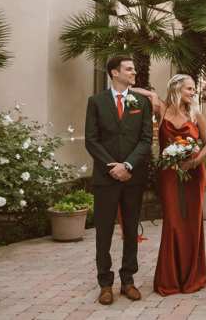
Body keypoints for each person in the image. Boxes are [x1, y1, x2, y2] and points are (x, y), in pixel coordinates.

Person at [84, 55, 152, 305]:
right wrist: (112, 166)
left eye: (133, 69)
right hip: (106, 177)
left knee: (132, 229)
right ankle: (105, 283)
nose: (134, 72)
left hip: (133, 177)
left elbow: (146, 139)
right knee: (103, 232)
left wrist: (128, 165)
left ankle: (128, 280)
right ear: (114, 72)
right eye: (129, 69)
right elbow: (91, 139)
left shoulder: (141, 102)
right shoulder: (96, 102)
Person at [133, 75, 206, 296]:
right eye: (189, 88)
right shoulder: (162, 109)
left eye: (194, 88)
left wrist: (194, 162)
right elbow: (132, 90)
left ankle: (192, 277)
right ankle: (171, 279)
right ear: (176, 88)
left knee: (192, 222)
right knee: (173, 222)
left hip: (193, 174)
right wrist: (152, 94)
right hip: (168, 175)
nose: (193, 92)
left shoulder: (196, 115)